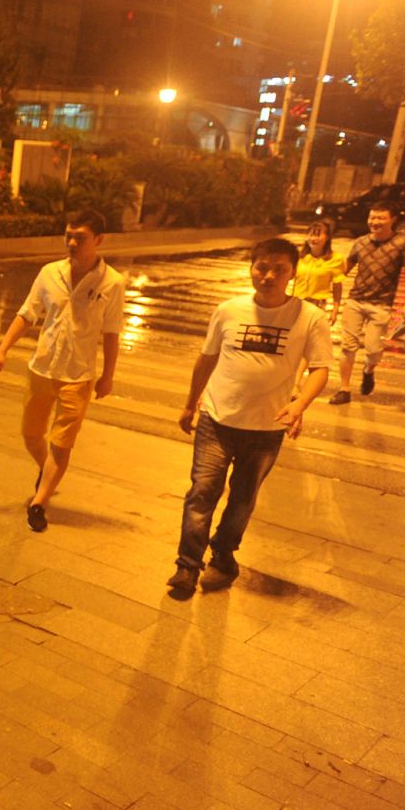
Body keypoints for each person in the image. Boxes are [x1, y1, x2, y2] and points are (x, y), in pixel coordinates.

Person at [168, 238, 331, 598]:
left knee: (243, 497)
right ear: (251, 268)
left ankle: (224, 553)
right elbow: (206, 359)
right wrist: (190, 403)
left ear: (292, 273)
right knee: (202, 493)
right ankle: (186, 566)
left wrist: (299, 404)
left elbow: (320, 368)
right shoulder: (228, 310)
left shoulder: (309, 318)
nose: (269, 275)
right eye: (262, 267)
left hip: (267, 426)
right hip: (217, 419)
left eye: (279, 269)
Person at [0, 208, 126, 532]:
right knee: (31, 434)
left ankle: (40, 503)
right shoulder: (50, 272)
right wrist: (2, 350)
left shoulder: (113, 283)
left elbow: (112, 333)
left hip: (78, 376)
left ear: (99, 240)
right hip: (42, 367)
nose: (73, 242)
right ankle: (46, 471)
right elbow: (26, 313)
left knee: (61, 444)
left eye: (80, 237)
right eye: (69, 235)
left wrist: (108, 376)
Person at [329, 205, 405, 404]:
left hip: (381, 305)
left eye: (381, 218)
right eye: (372, 217)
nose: (375, 222)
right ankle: (344, 389)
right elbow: (344, 269)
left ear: (393, 219)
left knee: (373, 349)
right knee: (347, 346)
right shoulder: (360, 242)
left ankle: (369, 371)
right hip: (355, 301)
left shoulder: (403, 243)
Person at [290, 219, 345, 323]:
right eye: (311, 235)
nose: (313, 239)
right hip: (296, 302)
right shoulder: (300, 258)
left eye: (318, 235)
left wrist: (335, 310)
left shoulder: (335, 259)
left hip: (317, 304)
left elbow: (337, 287)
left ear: (327, 238)